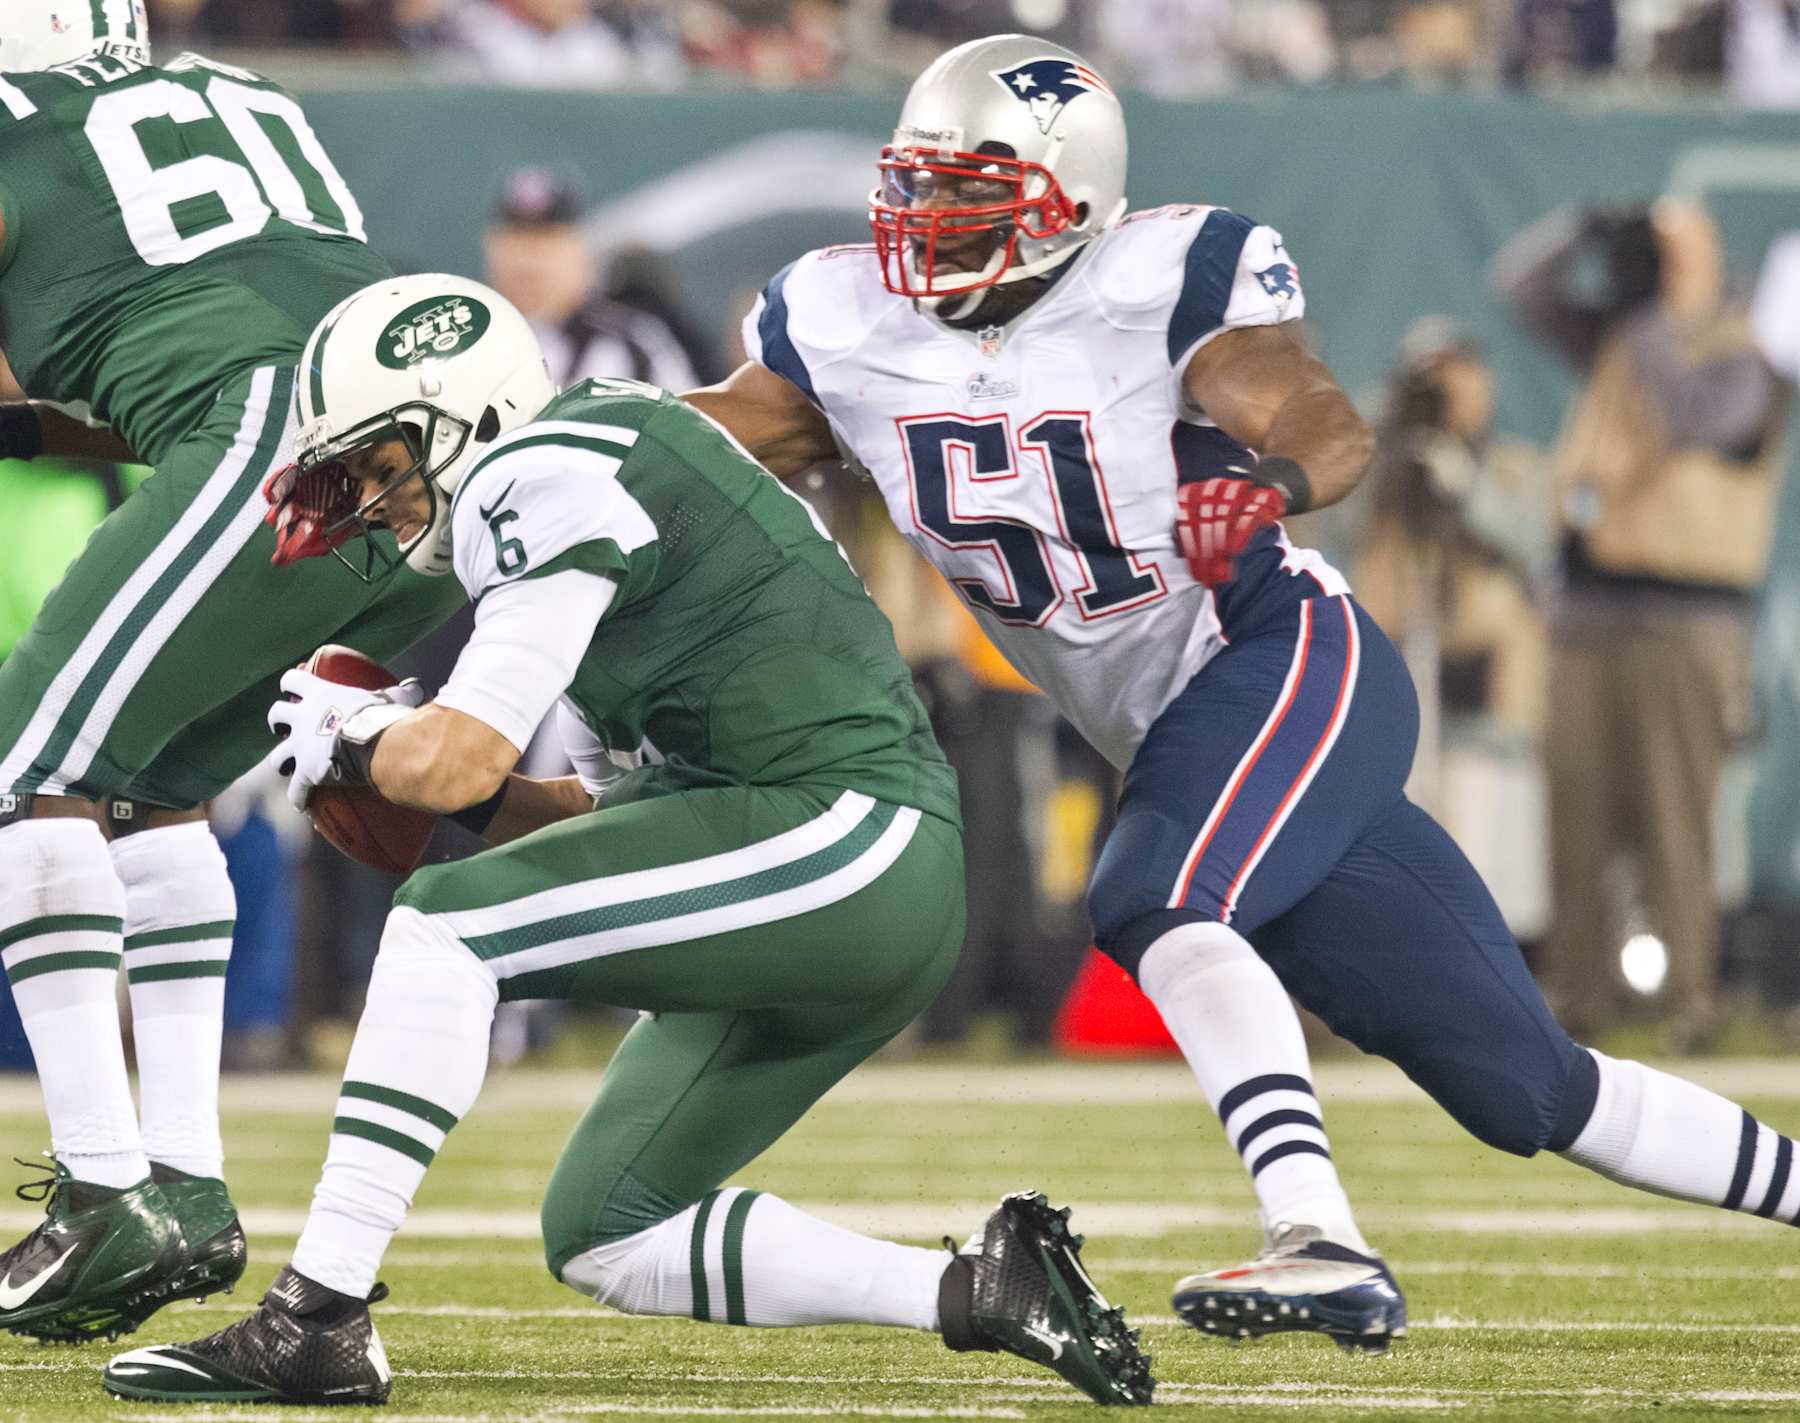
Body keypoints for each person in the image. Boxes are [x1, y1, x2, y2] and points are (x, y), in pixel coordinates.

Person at [686, 32, 1800, 1352]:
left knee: (1149, 890)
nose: (930, 229)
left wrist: (1264, 487)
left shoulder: (1158, 284)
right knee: (1526, 1085)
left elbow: (1321, 417)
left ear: (1069, 202)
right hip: (1182, 736)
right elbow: (675, 446)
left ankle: (1320, 1234)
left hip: (1283, 658)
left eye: (970, 196)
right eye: (917, 191)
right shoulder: (844, 326)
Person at [102, 274, 1154, 1408]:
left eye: (384, 464)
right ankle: (983, 1288)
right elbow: (611, 822)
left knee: (442, 929)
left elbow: (452, 759)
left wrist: (364, 739)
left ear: (471, 417)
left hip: (841, 835)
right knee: (606, 1227)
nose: (376, 501)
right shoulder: (610, 469)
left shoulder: (533, 471)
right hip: (835, 865)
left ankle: (315, 1317)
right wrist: (399, 756)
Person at [0, 3, 463, 1342]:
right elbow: (195, 327)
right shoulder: (229, 92)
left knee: (26, 763)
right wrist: (32, 424)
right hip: (404, 478)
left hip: (271, 439)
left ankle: (104, 1185)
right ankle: (185, 1182)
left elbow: (213, 367)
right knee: (141, 792)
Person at [1494, 200, 1789, 1049]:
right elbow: (1521, 288)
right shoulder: (1629, 335)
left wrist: (1661, 305)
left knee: (1675, 816)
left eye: (1668, 249)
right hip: (1587, 607)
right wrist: (1586, 230)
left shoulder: (1747, 350)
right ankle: (1576, 997)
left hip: (1685, 615)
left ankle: (1690, 1000)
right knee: (1576, 814)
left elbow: (1701, 416)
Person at [483, 167, 699, 393]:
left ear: (578, 248)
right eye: (516, 237)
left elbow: (686, 420)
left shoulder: (633, 344)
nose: (528, 258)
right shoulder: (468, 342)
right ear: (491, 247)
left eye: (545, 239)